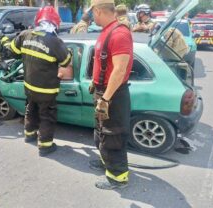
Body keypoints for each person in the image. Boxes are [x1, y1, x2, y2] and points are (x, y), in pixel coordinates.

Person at [3, 6, 72, 156]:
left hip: (29, 86)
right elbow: (66, 61)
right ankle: (45, 145)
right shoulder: (55, 42)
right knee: (47, 115)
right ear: (54, 23)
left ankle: (29, 135)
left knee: (31, 109)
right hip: (47, 90)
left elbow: (12, 52)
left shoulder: (25, 35)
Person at [87, 0, 133, 190]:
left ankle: (117, 177)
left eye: (92, 13)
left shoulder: (119, 33)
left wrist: (105, 98)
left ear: (98, 11)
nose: (92, 17)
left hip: (112, 94)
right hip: (103, 91)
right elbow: (104, 62)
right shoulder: (107, 30)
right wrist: (95, 82)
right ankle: (107, 161)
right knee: (101, 132)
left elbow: (120, 70)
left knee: (112, 134)